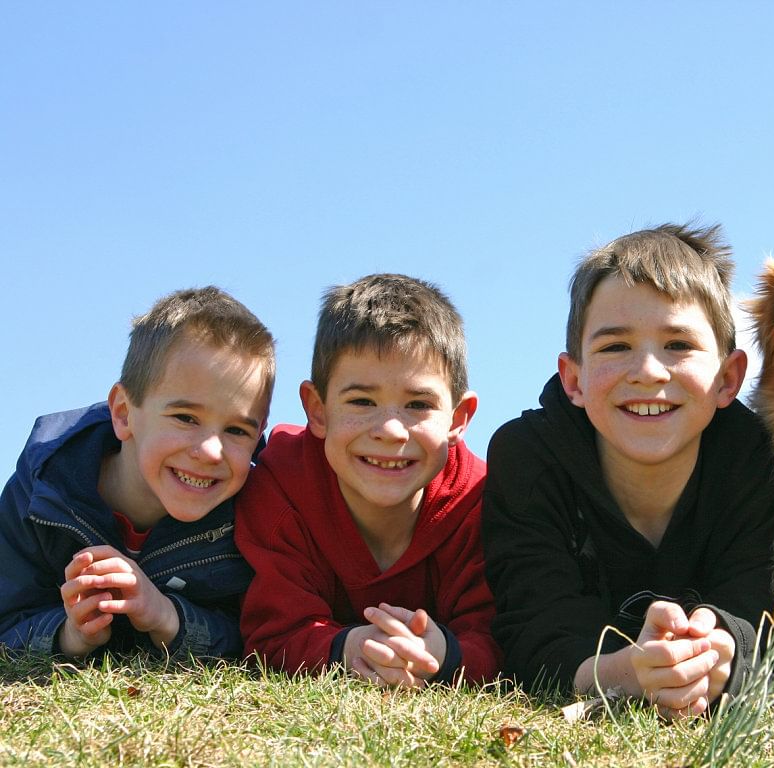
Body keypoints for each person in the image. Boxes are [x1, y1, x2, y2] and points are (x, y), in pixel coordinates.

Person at [482, 222, 774, 718]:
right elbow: (531, 627)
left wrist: (718, 649)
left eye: (678, 345)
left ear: (729, 378)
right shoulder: (529, 457)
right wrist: (628, 672)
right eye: (615, 347)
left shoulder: (758, 463)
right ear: (573, 379)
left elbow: (762, 607)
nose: (647, 371)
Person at [236, 274, 500, 687]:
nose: (391, 430)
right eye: (362, 401)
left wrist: (444, 655)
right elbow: (271, 633)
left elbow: (502, 639)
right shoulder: (281, 484)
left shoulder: (479, 502)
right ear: (317, 410)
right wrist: (348, 648)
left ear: (459, 418)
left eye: (418, 404)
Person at [0, 286, 275, 660]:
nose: (211, 451)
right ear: (124, 414)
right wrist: (70, 634)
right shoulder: (43, 494)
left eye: (237, 430)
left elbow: (259, 637)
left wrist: (166, 616)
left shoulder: (255, 513)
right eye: (185, 418)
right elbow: (6, 625)